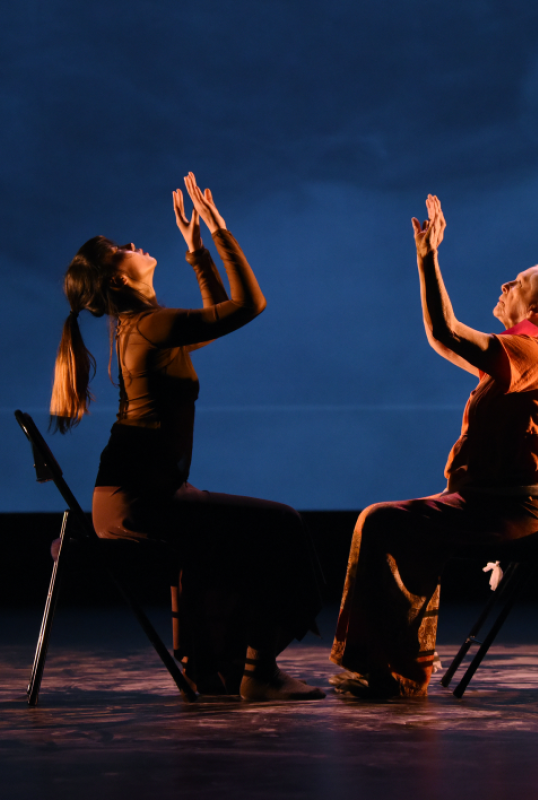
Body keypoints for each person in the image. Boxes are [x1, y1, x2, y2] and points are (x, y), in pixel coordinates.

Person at [50, 172, 325, 701]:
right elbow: (249, 307)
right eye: (119, 251)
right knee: (280, 526)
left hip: (134, 498)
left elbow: (220, 319)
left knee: (235, 534)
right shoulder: (149, 328)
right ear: (119, 282)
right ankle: (256, 672)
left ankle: (222, 669)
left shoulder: (145, 327)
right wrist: (220, 232)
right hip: (138, 503)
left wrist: (197, 254)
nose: (132, 245)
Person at [330, 195, 538, 698]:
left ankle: (395, 671)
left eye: (515, 283)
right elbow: (445, 341)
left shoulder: (529, 351)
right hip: (526, 506)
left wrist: (428, 259)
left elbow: (447, 330)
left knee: (382, 520)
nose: (503, 285)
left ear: (536, 308)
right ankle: (400, 666)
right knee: (406, 522)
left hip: (513, 508)